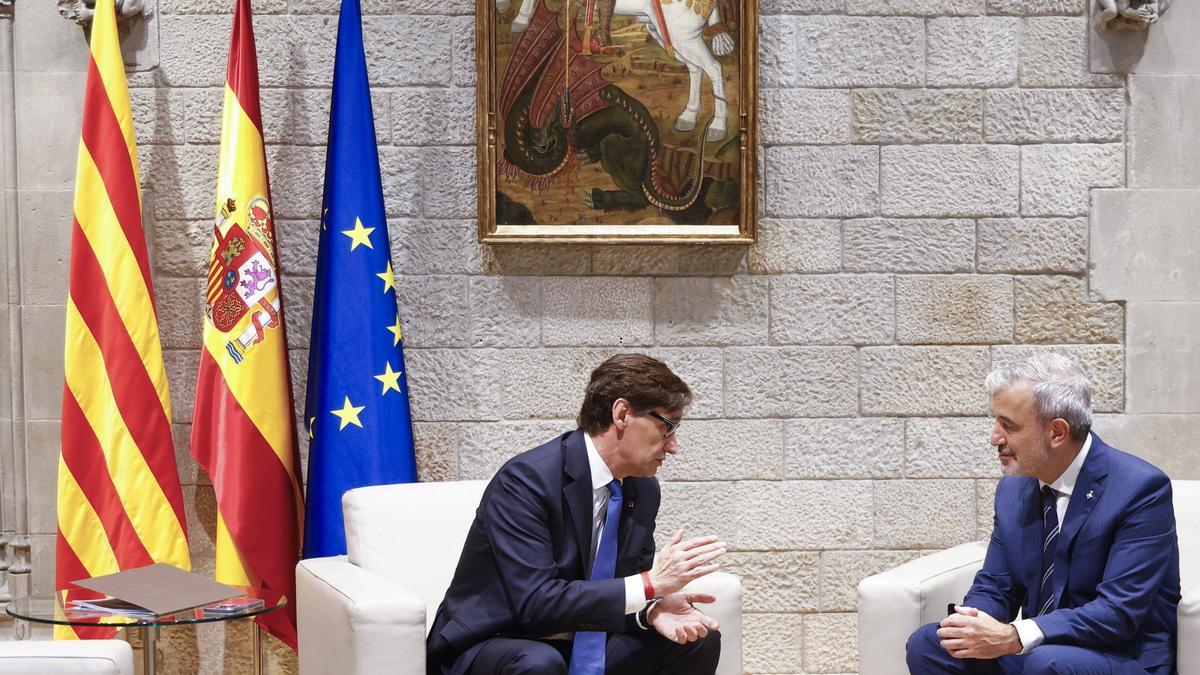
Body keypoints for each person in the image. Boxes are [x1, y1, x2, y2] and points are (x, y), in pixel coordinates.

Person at [426, 354, 726, 675]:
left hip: (583, 637)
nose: (673, 447)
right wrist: (650, 585)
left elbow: (618, 591)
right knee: (539, 663)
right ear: (622, 413)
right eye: (667, 427)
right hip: (497, 640)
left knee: (697, 640)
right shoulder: (527, 480)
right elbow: (536, 604)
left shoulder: (643, 489)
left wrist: (649, 612)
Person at [906, 353, 1180, 674]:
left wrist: (1014, 635)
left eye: (1007, 426)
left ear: (1057, 433)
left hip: (1120, 656)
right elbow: (997, 585)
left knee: (1045, 662)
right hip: (1040, 653)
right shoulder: (1014, 489)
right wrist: (972, 624)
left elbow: (1118, 612)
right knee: (931, 643)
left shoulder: (1140, 489)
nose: (994, 438)